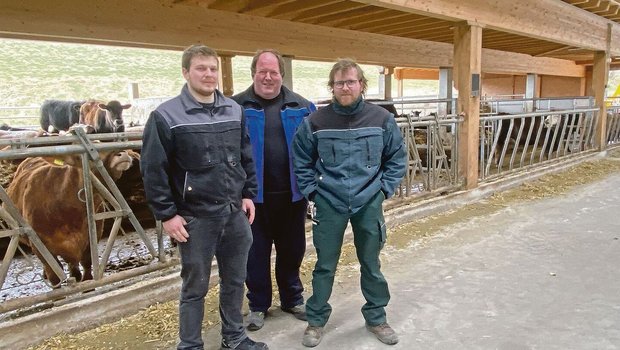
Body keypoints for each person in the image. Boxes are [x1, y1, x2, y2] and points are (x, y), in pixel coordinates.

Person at [140, 44, 268, 350]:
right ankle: (190, 344)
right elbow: (153, 169)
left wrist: (248, 193)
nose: (208, 74)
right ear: (186, 72)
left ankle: (234, 337)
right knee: (195, 286)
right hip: (195, 217)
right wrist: (167, 214)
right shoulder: (166, 116)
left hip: (234, 213)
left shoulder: (234, 110)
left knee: (235, 280)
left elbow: (245, 155)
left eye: (213, 68)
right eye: (201, 68)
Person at [292, 59, 407, 347]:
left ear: (361, 85)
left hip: (369, 199)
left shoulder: (381, 119)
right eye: (339, 83)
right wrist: (313, 192)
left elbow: (397, 158)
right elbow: (301, 159)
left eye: (350, 82)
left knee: (371, 263)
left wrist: (383, 190)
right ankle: (316, 320)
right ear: (332, 87)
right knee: (325, 265)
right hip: (329, 200)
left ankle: (376, 317)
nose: (345, 87)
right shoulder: (316, 121)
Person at [232, 49, 316, 331]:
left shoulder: (302, 107)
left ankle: (292, 298)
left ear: (282, 74)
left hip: (292, 196)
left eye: (274, 72)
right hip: (252, 199)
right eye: (262, 72)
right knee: (254, 253)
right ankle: (257, 304)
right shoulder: (235, 107)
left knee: (292, 250)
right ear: (253, 73)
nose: (268, 77)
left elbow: (315, 149)